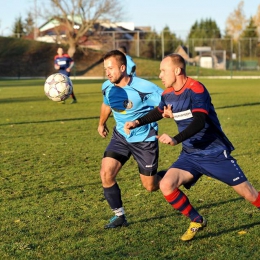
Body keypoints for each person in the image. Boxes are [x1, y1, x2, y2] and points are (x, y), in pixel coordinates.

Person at [124, 53, 260, 241]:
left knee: (249, 193)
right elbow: (159, 112)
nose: (160, 75)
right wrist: (136, 122)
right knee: (166, 184)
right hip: (190, 155)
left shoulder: (196, 89)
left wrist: (175, 139)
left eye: (164, 70)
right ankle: (197, 220)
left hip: (214, 153)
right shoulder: (168, 94)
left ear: (178, 70)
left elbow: (199, 120)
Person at [98, 49, 163, 229]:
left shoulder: (145, 88)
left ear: (123, 67)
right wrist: (101, 123)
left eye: (110, 68)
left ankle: (176, 175)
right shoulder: (107, 86)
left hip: (144, 140)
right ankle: (119, 216)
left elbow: (166, 106)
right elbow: (106, 104)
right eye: (105, 69)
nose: (107, 72)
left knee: (150, 186)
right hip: (120, 137)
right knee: (106, 173)